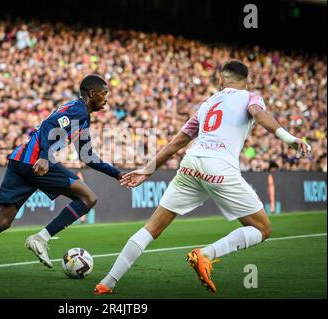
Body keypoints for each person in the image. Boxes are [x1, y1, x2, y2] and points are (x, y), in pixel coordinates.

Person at [94, 60, 312, 295]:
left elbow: (179, 140)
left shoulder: (208, 103)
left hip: (191, 162)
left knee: (152, 228)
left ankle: (107, 282)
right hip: (219, 166)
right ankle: (206, 255)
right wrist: (289, 138)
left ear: (221, 79)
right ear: (245, 81)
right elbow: (258, 114)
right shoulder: (250, 97)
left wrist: (148, 170)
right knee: (262, 229)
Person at [0, 74, 124, 269]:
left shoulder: (83, 118)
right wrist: (44, 156)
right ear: (92, 93)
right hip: (36, 161)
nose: (106, 99)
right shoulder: (78, 110)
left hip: (20, 160)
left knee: (3, 220)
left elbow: (87, 157)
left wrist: (117, 174)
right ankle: (40, 239)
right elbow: (49, 125)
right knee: (88, 198)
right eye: (104, 94)